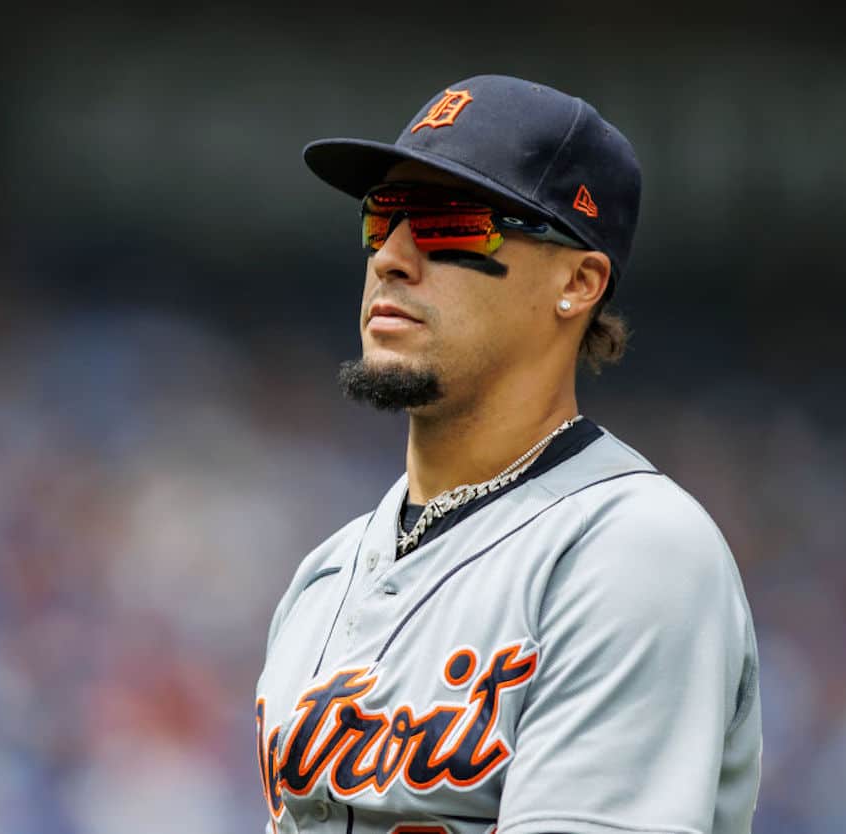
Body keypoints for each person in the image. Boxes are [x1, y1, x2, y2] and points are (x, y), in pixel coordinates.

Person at [254, 75, 760, 834]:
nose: (392, 255)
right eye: (383, 217)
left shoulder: (631, 550)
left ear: (579, 281)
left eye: (450, 223)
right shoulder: (322, 575)